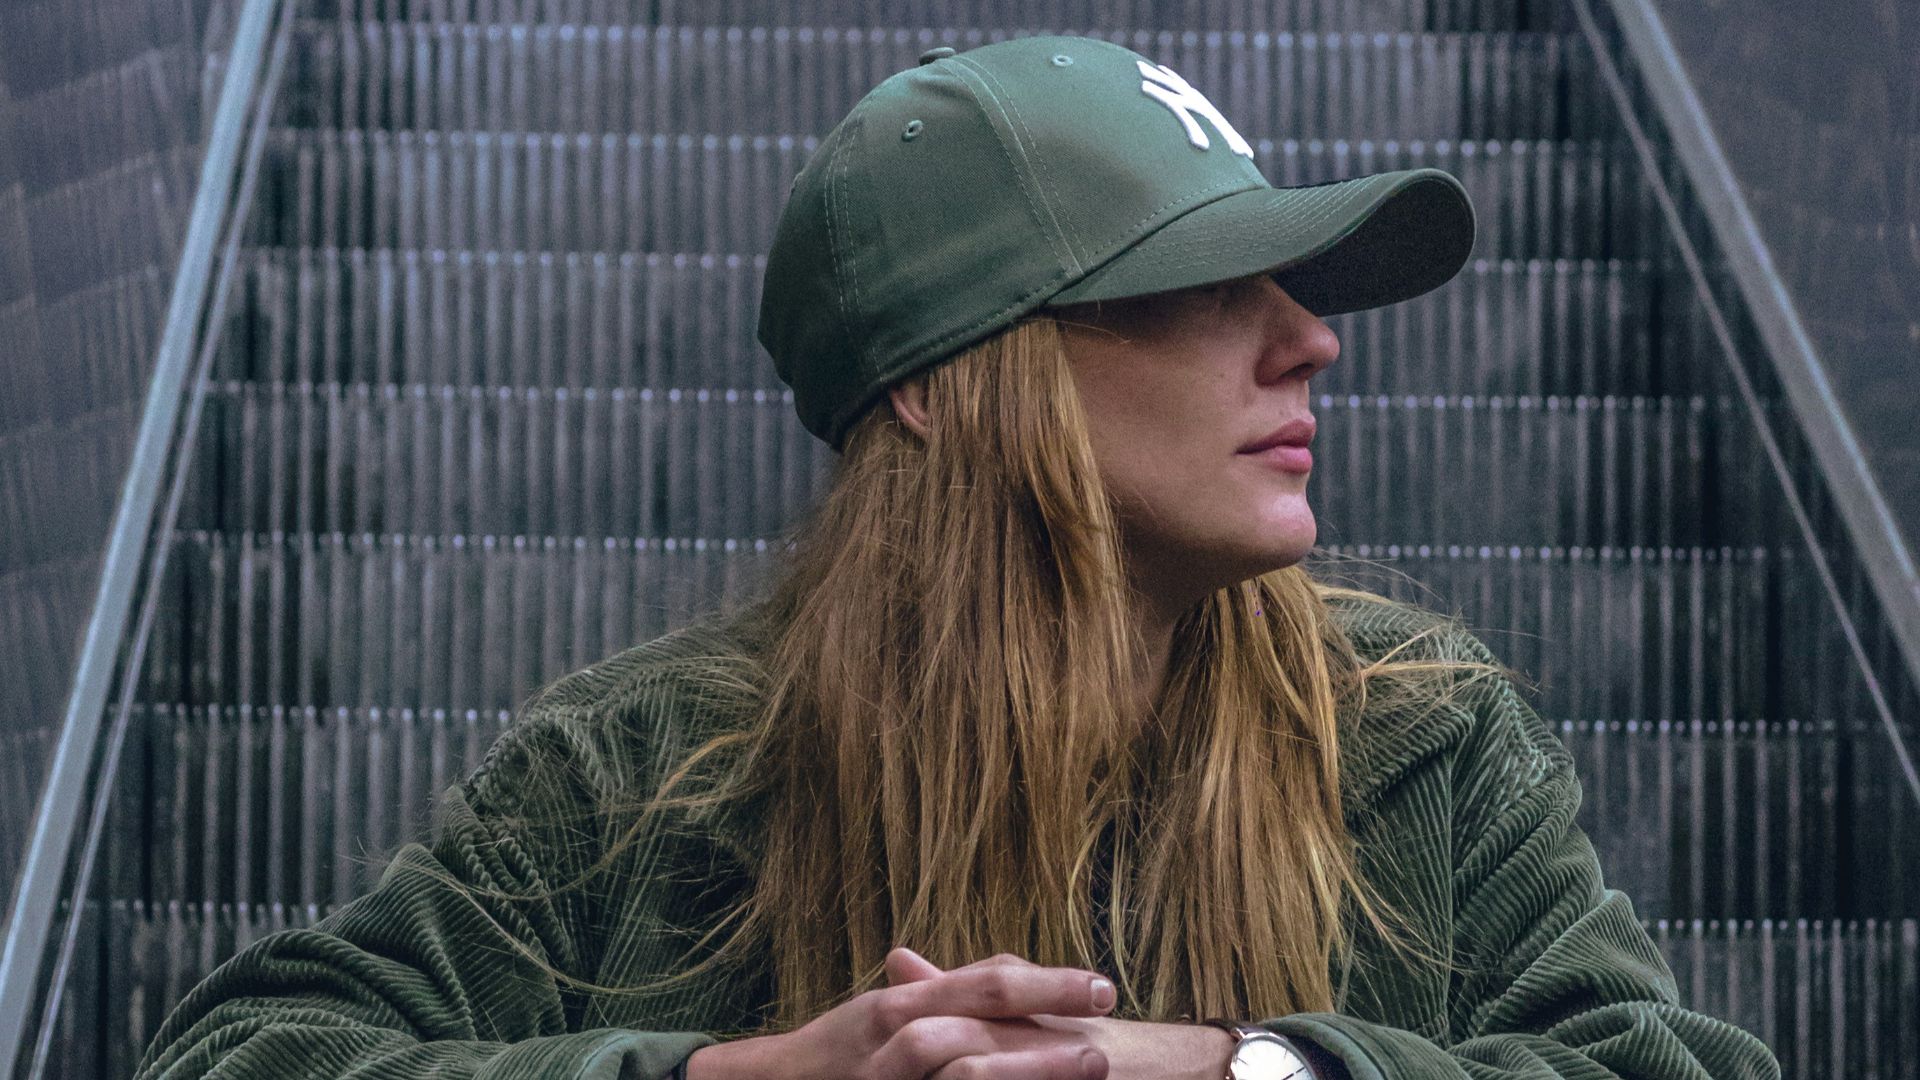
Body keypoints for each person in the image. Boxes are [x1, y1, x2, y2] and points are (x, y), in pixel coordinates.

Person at [134, 34, 1780, 1080]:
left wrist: (1243, 1070)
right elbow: (244, 1052)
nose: (1311, 341)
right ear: (941, 383)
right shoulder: (648, 770)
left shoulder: (1414, 730)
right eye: (1207, 287)